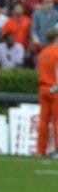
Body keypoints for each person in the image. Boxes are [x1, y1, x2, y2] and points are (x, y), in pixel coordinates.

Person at [36, 28, 58, 157]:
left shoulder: (43, 52)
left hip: (43, 88)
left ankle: (41, 150)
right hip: (55, 89)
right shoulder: (57, 52)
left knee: (43, 121)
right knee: (57, 121)